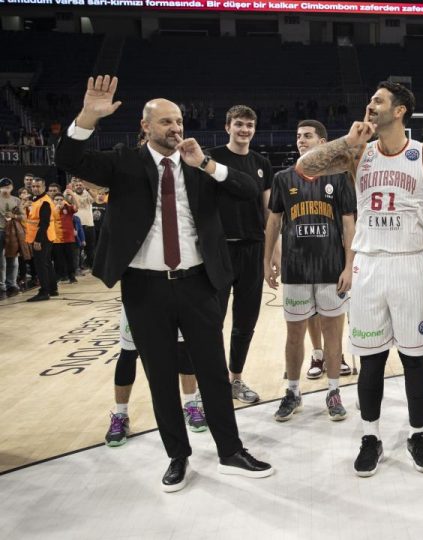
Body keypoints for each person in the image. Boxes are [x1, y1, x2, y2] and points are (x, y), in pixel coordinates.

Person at [55, 75, 273, 492]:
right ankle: (177, 455)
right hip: (143, 286)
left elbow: (247, 190)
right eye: (166, 123)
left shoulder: (199, 165)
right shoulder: (123, 162)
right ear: (145, 127)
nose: (176, 129)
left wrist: (206, 164)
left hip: (197, 283)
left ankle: (230, 450)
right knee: (159, 374)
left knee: (211, 370)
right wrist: (87, 117)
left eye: (179, 122)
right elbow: (69, 156)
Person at [296, 81, 423, 477]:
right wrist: (347, 139)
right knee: (371, 361)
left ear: (400, 110)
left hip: (410, 263)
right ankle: (370, 437)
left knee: (413, 359)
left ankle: (418, 434)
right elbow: (306, 167)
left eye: (378, 101)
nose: (370, 106)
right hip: (369, 265)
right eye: (370, 100)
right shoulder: (360, 152)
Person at [264, 119, 354, 422]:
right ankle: (292, 391)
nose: (301, 140)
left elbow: (348, 223)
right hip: (296, 269)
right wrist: (267, 260)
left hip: (331, 268)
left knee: (332, 332)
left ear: (323, 142)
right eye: (298, 136)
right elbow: (274, 222)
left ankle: (333, 390)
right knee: (294, 334)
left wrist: (349, 265)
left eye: (307, 136)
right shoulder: (283, 177)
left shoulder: (340, 178)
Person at [209, 105, 274, 404]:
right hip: (219, 251)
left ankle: (235, 379)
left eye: (249, 125)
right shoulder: (211, 158)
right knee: (212, 321)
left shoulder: (262, 163)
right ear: (227, 127)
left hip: (252, 249)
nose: (244, 129)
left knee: (245, 321)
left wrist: (272, 253)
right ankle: (211, 383)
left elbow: (269, 213)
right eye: (238, 124)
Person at [106, 305, 207, 447]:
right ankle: (121, 415)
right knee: (128, 352)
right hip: (138, 298)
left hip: (172, 294)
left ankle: (191, 404)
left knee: (183, 347)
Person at [24, 177, 57, 302]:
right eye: (33, 186)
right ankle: (52, 288)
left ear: (44, 187)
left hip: (42, 237)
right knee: (47, 263)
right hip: (45, 236)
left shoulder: (44, 202)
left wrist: (38, 240)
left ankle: (44, 291)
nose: (35, 189)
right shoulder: (35, 200)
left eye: (38, 186)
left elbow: (44, 223)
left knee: (41, 264)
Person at [65, 178, 96, 270]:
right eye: (77, 185)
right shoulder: (72, 195)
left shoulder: (88, 193)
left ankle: (92, 266)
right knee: (78, 249)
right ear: (74, 186)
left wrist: (88, 189)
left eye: (80, 185)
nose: (78, 186)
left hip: (89, 224)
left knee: (91, 248)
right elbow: (67, 199)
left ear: (83, 186)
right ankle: (78, 267)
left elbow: (95, 197)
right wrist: (70, 191)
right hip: (77, 226)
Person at [0, 177, 22, 299]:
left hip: (13, 232)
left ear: (12, 187)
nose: (5, 189)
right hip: (0, 230)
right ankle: (1, 284)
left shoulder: (16, 200)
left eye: (8, 187)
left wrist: (14, 215)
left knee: (13, 259)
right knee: (0, 260)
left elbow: (23, 216)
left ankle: (11, 284)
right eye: (3, 187)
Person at [51, 190, 78, 284]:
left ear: (64, 200)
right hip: (56, 239)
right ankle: (61, 276)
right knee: (58, 259)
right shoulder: (50, 209)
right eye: (56, 200)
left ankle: (72, 276)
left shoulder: (68, 208)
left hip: (69, 238)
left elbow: (76, 207)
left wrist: (73, 196)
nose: (59, 201)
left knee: (70, 258)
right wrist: (56, 209)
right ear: (53, 201)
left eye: (61, 199)